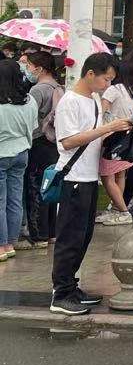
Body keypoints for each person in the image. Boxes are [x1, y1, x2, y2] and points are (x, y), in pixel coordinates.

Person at [50, 53, 129, 315]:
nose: (108, 84)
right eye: (106, 79)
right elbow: (68, 141)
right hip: (73, 178)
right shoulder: (69, 101)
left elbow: (92, 138)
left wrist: (117, 129)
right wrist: (106, 128)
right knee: (69, 239)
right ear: (91, 73)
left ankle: (71, 287)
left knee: (83, 237)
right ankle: (60, 294)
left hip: (89, 177)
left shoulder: (93, 100)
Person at [18, 49, 62, 251]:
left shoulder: (38, 90)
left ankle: (38, 234)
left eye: (29, 66)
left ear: (40, 69)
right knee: (51, 185)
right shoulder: (59, 87)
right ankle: (51, 231)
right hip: (53, 143)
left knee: (36, 188)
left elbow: (29, 117)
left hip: (38, 141)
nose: (27, 69)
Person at [97, 48, 133, 226]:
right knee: (120, 175)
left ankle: (123, 211)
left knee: (107, 176)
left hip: (112, 137)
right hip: (127, 137)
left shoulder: (114, 89)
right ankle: (117, 208)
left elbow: (102, 112)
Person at [0, 59, 38, 260]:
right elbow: (33, 126)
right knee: (15, 199)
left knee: (1, 201)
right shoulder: (29, 100)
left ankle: (1, 245)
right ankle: (10, 242)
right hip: (21, 153)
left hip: (2, 153)